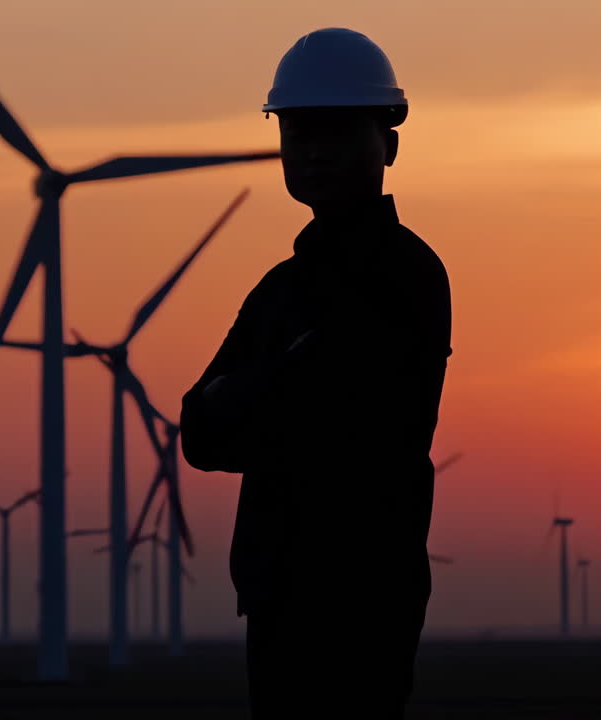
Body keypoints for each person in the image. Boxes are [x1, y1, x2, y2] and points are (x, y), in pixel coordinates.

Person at [178, 28, 453, 718]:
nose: (313, 151)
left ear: (387, 141)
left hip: (363, 597)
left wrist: (248, 395)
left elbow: (340, 419)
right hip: (276, 593)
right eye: (298, 132)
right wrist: (281, 382)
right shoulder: (280, 289)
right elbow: (198, 432)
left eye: (335, 132)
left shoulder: (408, 277)